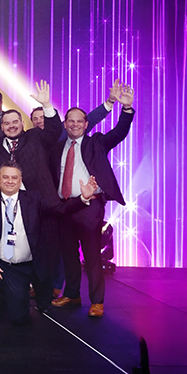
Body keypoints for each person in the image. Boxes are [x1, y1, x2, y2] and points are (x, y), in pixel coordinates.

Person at [0, 164, 99, 327]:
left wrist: (82, 198)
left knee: (19, 318)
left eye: (14, 177)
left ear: (20, 180)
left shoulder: (33, 198)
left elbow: (60, 210)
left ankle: (14, 294)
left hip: (23, 266)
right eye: (5, 177)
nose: (10, 181)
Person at [49, 84, 136, 317]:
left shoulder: (96, 143)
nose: (75, 124)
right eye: (71, 121)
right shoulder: (57, 148)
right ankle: (72, 294)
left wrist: (126, 108)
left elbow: (119, 133)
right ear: (65, 124)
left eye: (80, 121)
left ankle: (97, 301)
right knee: (68, 254)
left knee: (91, 254)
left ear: (86, 124)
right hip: (64, 206)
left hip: (90, 205)